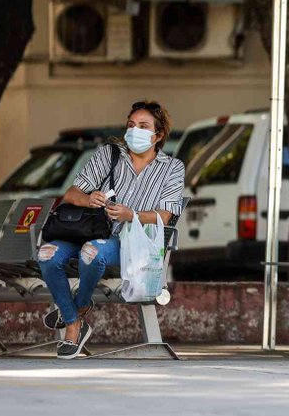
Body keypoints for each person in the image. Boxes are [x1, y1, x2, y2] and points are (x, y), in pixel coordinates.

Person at [37, 101, 185, 359]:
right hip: (91, 231)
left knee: (92, 252)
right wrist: (88, 199)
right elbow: (71, 194)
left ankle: (76, 314)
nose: (134, 131)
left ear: (158, 135)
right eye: (131, 125)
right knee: (47, 253)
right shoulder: (109, 154)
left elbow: (165, 215)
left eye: (143, 126)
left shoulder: (172, 168)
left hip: (135, 244)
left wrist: (132, 215)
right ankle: (74, 321)